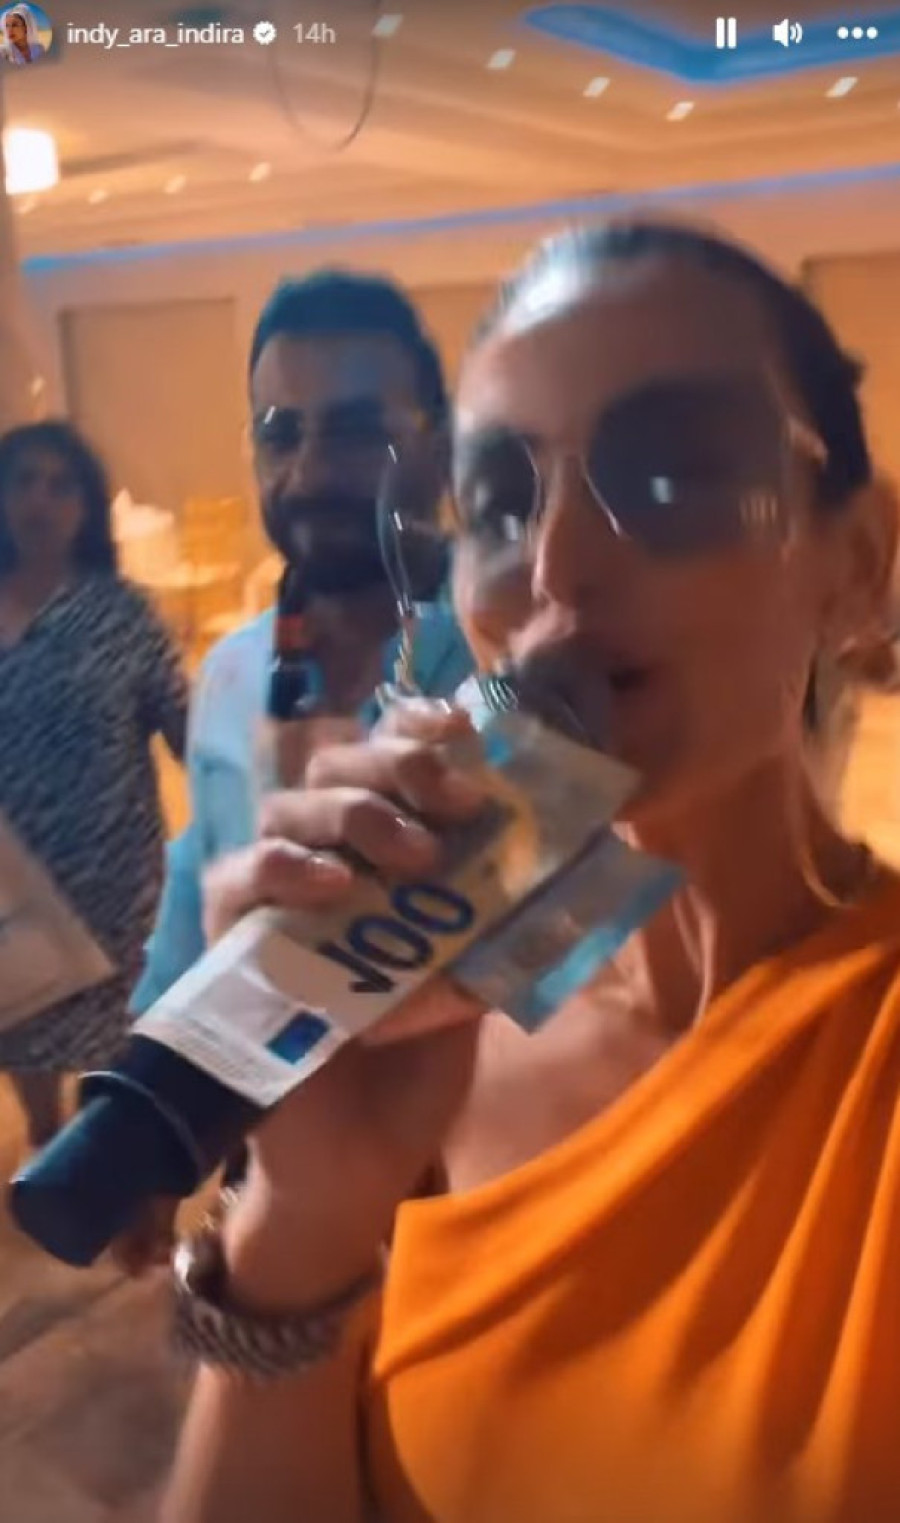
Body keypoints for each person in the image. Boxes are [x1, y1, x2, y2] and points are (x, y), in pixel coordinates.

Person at [164, 220, 900, 1523]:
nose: (556, 565)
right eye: (500, 504)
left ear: (857, 563)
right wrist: (304, 1215)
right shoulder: (424, 1027)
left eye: (667, 476)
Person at [116, 271, 471, 1272]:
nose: (310, 470)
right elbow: (197, 882)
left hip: (481, 1182)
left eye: (356, 432)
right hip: (279, 1163)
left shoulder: (516, 662)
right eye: (281, 433)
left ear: (440, 444)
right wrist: (149, 1114)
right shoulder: (233, 671)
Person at [0, 421, 187, 1149]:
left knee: (116, 1026)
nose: (40, 501)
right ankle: (45, 1132)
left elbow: (182, 722)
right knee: (22, 1011)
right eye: (24, 481)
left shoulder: (121, 613)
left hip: (114, 871)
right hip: (13, 874)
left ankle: (104, 1150)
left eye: (61, 485)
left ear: (85, 506)